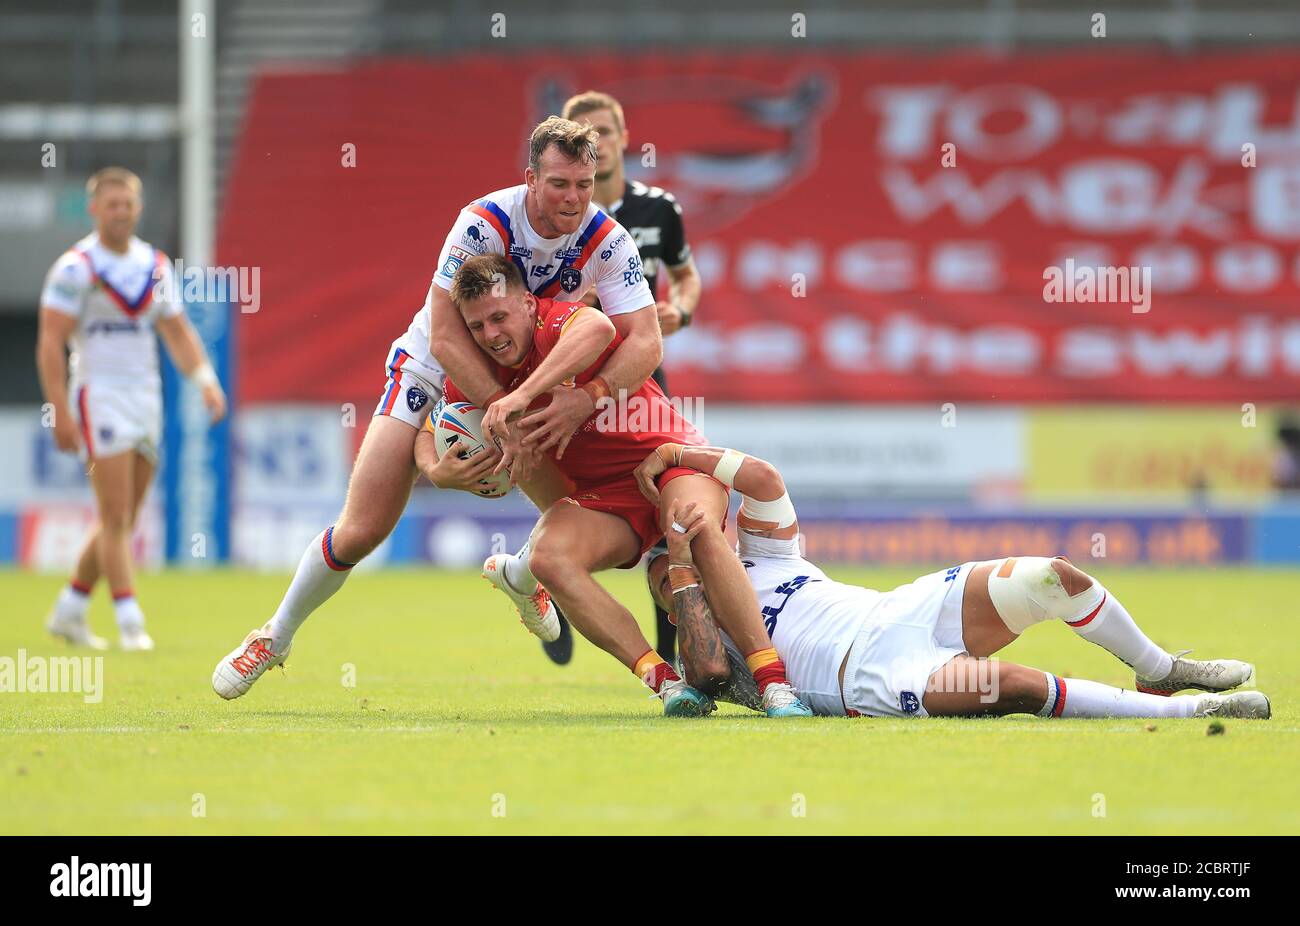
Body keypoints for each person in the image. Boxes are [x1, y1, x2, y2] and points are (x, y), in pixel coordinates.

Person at [211, 117, 655, 698]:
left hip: (528, 379)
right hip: (433, 371)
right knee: (362, 530)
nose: (573, 199)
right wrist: (486, 422)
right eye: (558, 184)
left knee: (576, 517)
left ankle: (524, 576)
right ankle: (275, 636)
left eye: (583, 183)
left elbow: (645, 341)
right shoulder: (484, 222)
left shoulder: (608, 240)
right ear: (531, 179)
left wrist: (584, 398)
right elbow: (445, 338)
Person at [417, 253, 812, 717]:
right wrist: (436, 471)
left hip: (668, 462)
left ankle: (773, 685)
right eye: (477, 326)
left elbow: (597, 329)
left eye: (499, 317)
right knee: (550, 557)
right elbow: (430, 423)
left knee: (692, 524)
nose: (491, 336)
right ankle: (665, 683)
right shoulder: (479, 369)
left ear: (528, 303)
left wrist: (521, 397)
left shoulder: (557, 322)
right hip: (607, 497)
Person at [638, 445, 1270, 721]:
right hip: (868, 679)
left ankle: (1158, 668)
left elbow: (766, 480)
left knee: (1055, 577)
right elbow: (714, 680)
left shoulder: (766, 556)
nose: (674, 563)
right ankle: (1192, 711)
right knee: (1019, 687)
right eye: (661, 570)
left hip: (903, 607)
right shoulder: (704, 649)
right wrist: (681, 566)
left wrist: (676, 455)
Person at [541, 90, 703, 667]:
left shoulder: (659, 210)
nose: (598, 141)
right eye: (584, 132)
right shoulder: (559, 219)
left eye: (605, 131)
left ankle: (675, 655)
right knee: (568, 496)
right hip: (572, 380)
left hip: (640, 378)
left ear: (624, 135)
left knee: (662, 504)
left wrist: (680, 310)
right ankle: (551, 591)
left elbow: (686, 275)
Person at [38, 167, 228, 651]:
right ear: (95, 209)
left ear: (138, 209)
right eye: (112, 204)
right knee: (116, 513)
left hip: (145, 394)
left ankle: (70, 609)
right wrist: (58, 408)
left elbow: (177, 331)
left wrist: (205, 379)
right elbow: (51, 341)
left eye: (128, 204)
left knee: (122, 517)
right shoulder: (75, 268)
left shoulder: (155, 265)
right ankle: (130, 620)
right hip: (97, 393)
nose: (120, 212)